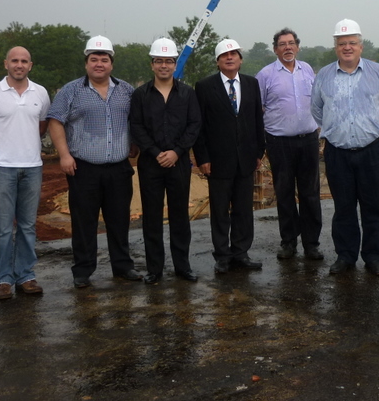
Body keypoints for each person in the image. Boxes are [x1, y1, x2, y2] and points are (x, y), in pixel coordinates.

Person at [47, 35, 142, 288]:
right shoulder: (71, 91)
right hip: (83, 168)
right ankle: (83, 270)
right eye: (94, 59)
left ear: (111, 63)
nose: (99, 64)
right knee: (84, 221)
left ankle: (122, 266)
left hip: (119, 169)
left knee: (119, 220)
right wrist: (64, 155)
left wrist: (134, 142)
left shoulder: (126, 90)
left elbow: (136, 119)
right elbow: (55, 121)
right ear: (86, 63)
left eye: (104, 59)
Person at [311, 19, 379, 276]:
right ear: (335, 47)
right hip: (337, 152)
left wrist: (372, 128)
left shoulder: (377, 72)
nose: (347, 47)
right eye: (342, 43)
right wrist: (336, 129)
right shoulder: (324, 75)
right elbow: (316, 109)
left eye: (352, 43)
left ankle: (372, 256)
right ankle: (345, 256)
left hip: (371, 151)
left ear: (361, 46)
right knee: (343, 208)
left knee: (373, 207)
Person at [0, 46, 51, 300]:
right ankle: (4, 279)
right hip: (1, 168)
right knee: (3, 227)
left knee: (28, 226)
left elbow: (41, 126)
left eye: (24, 61)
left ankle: (26, 276)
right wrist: (2, 150)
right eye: (15, 60)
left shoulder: (40, 93)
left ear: (30, 65)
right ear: (5, 64)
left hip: (32, 167)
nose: (19, 65)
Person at [130, 38, 201, 284]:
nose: (164, 65)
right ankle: (155, 269)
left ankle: (183, 266)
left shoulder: (187, 93)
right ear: (152, 64)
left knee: (180, 216)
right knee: (151, 217)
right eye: (159, 61)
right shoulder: (141, 95)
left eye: (168, 61)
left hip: (178, 163)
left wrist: (177, 152)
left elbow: (194, 125)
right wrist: (154, 152)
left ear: (175, 64)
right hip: (151, 163)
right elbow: (136, 126)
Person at [193, 38, 265, 274]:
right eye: (224, 55)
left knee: (244, 210)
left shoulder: (251, 84)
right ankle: (222, 255)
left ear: (240, 60)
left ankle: (241, 253)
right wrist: (202, 158)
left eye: (234, 54)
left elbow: (257, 120)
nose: (230, 58)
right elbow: (199, 126)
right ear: (218, 61)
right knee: (220, 211)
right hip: (217, 161)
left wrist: (259, 151)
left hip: (246, 159)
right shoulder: (205, 86)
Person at [256, 28, 323, 261]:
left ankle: (311, 244)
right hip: (279, 142)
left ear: (298, 46)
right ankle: (288, 242)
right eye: (282, 44)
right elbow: (258, 108)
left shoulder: (308, 70)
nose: (287, 47)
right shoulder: (265, 75)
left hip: (308, 140)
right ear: (275, 49)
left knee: (310, 193)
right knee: (284, 193)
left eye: (291, 43)